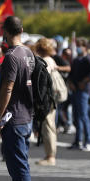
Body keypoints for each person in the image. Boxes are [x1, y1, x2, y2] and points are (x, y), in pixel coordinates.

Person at [0, 16, 36, 181]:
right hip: (26, 114)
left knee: (18, 164)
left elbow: (7, 88)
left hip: (14, 117)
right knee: (21, 162)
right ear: (22, 29)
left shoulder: (11, 57)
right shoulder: (28, 53)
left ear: (5, 31)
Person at [33, 37, 59, 166]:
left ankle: (50, 156)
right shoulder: (51, 60)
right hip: (52, 97)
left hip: (47, 98)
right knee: (49, 125)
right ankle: (50, 155)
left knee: (48, 126)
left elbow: (44, 82)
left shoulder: (45, 62)